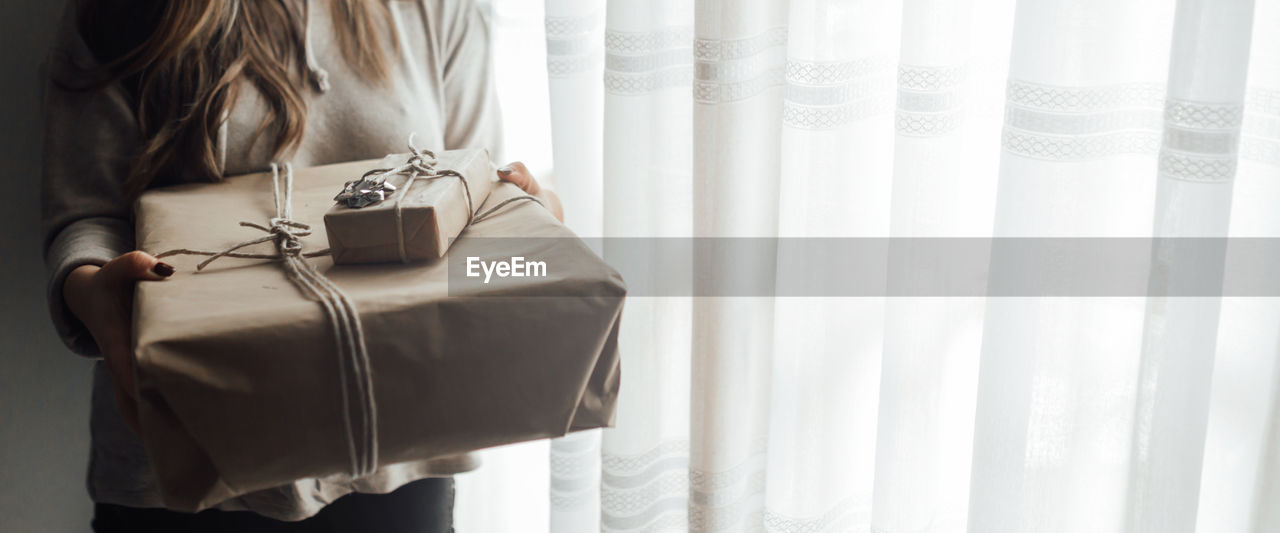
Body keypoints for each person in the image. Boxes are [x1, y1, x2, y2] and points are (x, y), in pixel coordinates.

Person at [41, 1, 562, 531]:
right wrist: (97, 295)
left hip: (400, 448)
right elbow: (87, 216)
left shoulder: (440, 8)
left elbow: (468, 187)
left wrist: (524, 219)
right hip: (191, 451)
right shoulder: (121, 12)